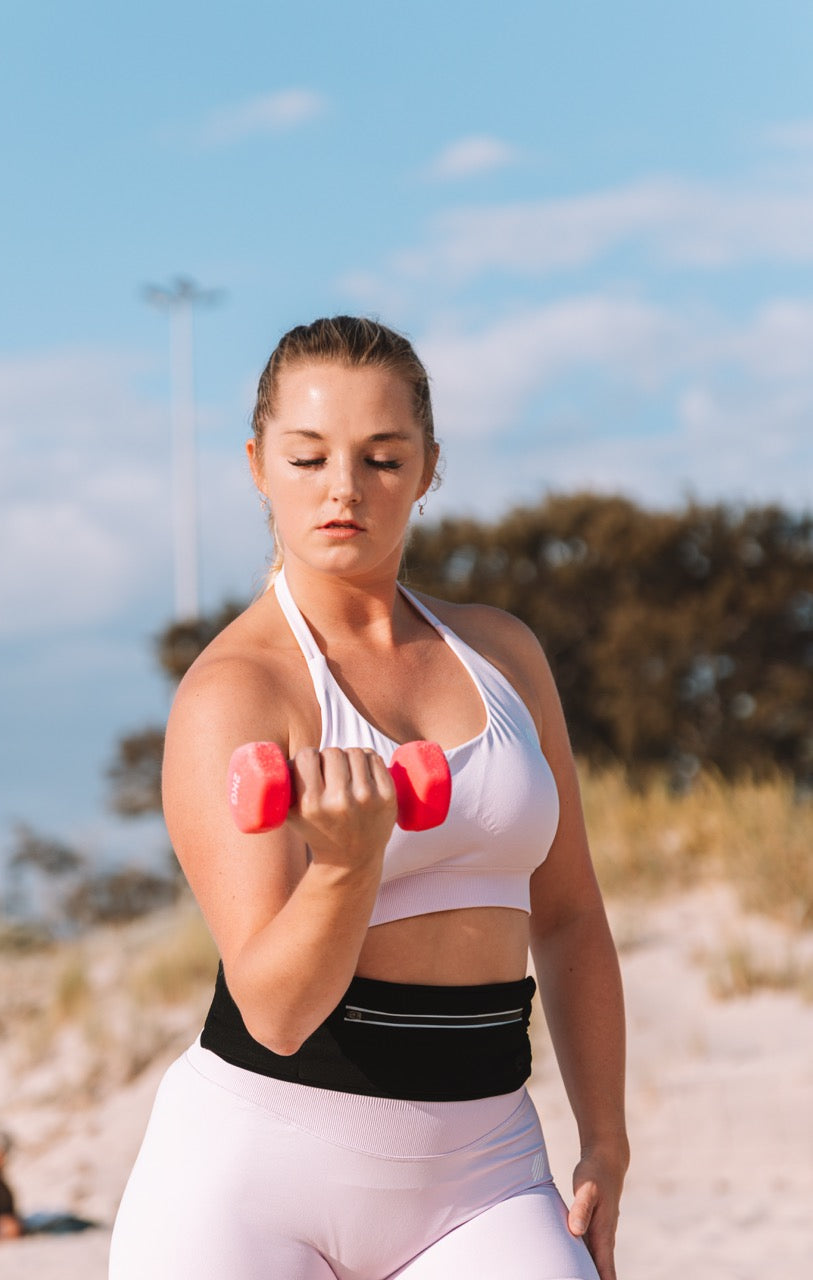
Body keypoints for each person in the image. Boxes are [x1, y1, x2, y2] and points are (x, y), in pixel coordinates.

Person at [109, 316, 629, 1280]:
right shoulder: (238, 692)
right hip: (254, 1173)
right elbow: (274, 1010)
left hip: (484, 1168)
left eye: (382, 458)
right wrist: (346, 867)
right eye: (308, 458)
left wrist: (605, 1136)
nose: (344, 488)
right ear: (259, 465)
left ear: (429, 468)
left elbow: (568, 916)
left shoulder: (503, 654)